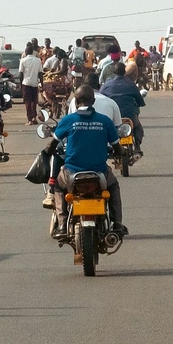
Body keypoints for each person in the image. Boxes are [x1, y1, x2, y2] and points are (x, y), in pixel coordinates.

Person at [47, 86, 126, 239]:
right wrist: (121, 152)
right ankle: (117, 224)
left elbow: (52, 144)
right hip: (100, 174)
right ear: (93, 101)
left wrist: (46, 153)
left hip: (71, 173)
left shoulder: (68, 120)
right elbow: (117, 147)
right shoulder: (105, 121)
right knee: (114, 186)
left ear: (76, 101)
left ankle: (62, 225)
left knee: (57, 186)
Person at [100, 61, 146, 154]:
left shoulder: (107, 85)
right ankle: (137, 147)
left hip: (112, 116)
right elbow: (140, 101)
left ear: (114, 72)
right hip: (129, 116)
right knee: (138, 127)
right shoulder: (131, 85)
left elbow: (100, 98)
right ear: (124, 72)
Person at [18, 43, 42, 124]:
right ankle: (34, 117)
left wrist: (21, 84)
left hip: (26, 83)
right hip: (35, 83)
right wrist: (42, 83)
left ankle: (29, 119)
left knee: (27, 102)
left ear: (26, 52)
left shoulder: (23, 60)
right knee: (34, 101)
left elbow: (21, 73)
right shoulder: (38, 60)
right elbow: (40, 73)